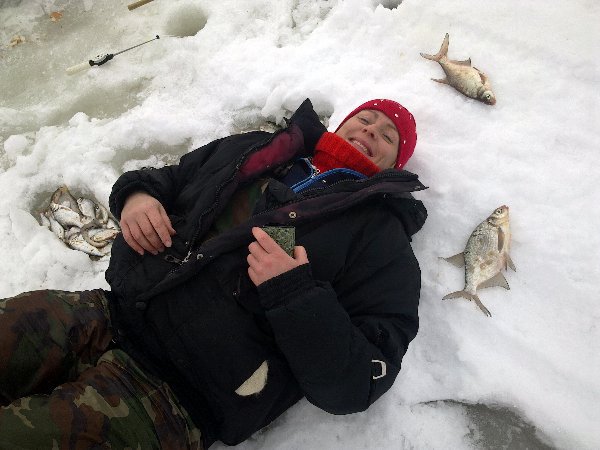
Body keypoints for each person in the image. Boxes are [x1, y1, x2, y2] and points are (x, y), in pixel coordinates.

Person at [0, 98, 427, 449]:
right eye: (367, 118)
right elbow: (170, 177)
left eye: (388, 135)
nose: (371, 130)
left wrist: (293, 293)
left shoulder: (381, 237)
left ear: (395, 163)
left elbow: (359, 382)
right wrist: (137, 195)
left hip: (176, 396)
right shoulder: (262, 148)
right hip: (111, 310)